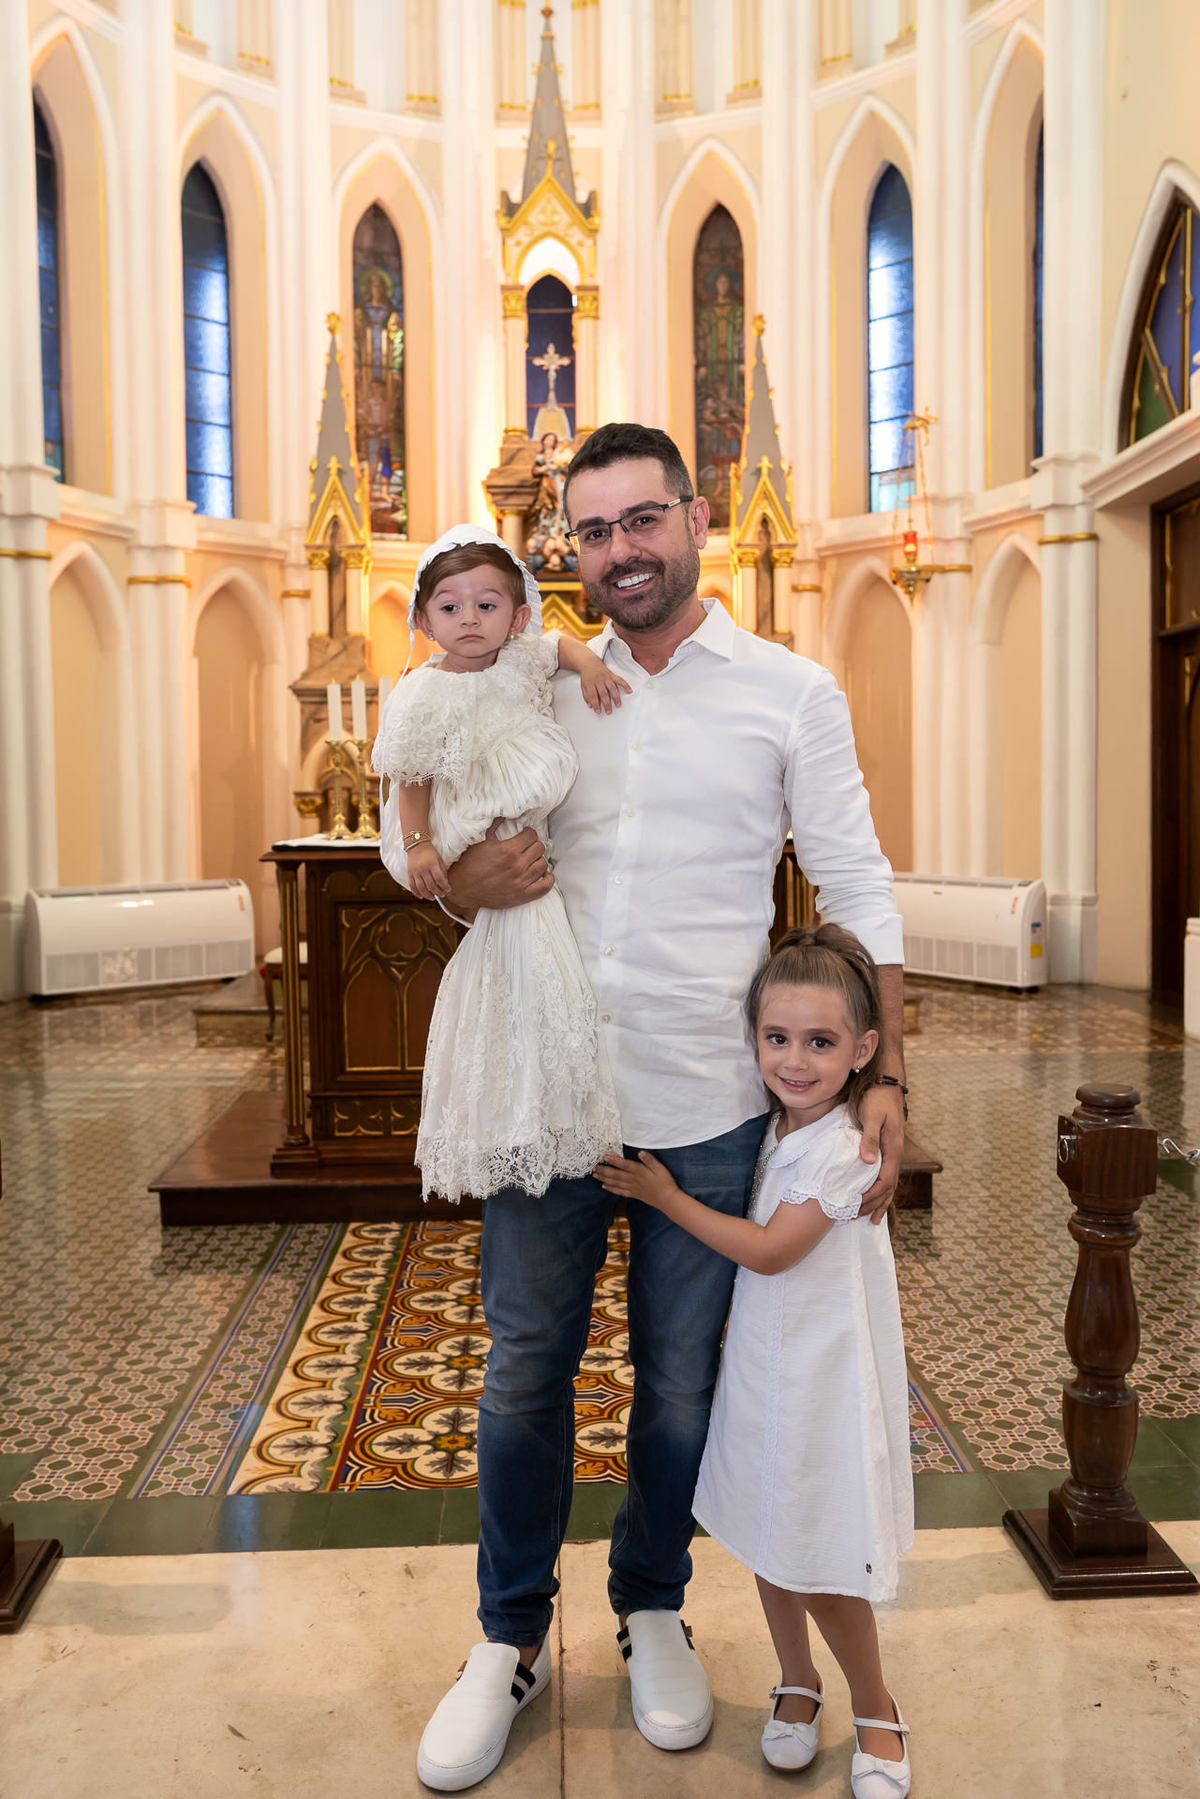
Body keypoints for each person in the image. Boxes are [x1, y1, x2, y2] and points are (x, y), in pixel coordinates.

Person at [386, 425, 906, 1794]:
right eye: (592, 529)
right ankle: (509, 1634)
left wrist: (887, 1071)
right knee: (523, 1367)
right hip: (546, 1085)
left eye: (641, 519)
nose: (619, 549)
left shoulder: (788, 690)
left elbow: (855, 879)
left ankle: (653, 1601)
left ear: (696, 515)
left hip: (707, 1097)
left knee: (679, 1380)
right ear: (568, 546)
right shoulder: (525, 670)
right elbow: (413, 805)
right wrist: (449, 878)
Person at [596, 923, 914, 1797]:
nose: (795, 1060)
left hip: (819, 1379)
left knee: (823, 1553)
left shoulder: (846, 1150)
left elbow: (772, 1252)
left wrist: (665, 1196)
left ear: (864, 1049)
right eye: (777, 1037)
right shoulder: (779, 1125)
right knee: (773, 1540)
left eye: (820, 1042)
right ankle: (797, 1679)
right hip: (766, 1370)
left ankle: (876, 1705)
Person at [372, 523, 626, 1203]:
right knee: (508, 987)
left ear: (515, 616)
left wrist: (590, 666)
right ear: (422, 619)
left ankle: (559, 1109)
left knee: (550, 982)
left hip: (531, 842)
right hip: (480, 832)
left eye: (486, 605)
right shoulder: (422, 693)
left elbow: (560, 645)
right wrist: (420, 844)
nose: (469, 619)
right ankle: (515, 1119)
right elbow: (411, 779)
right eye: (450, 607)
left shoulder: (520, 662)